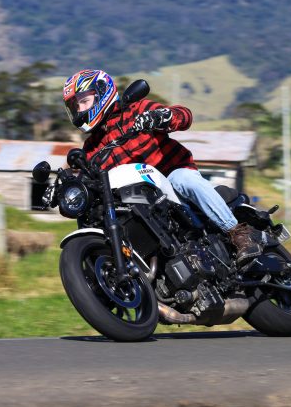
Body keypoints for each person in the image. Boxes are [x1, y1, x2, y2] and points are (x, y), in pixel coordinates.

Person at [63, 69, 262, 265]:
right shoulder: (91, 148)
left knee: (185, 180)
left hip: (171, 177)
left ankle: (239, 233)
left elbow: (184, 116)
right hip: (139, 199)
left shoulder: (136, 110)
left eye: (83, 102)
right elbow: (90, 180)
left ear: (102, 92)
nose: (80, 110)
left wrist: (160, 117)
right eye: (75, 106)